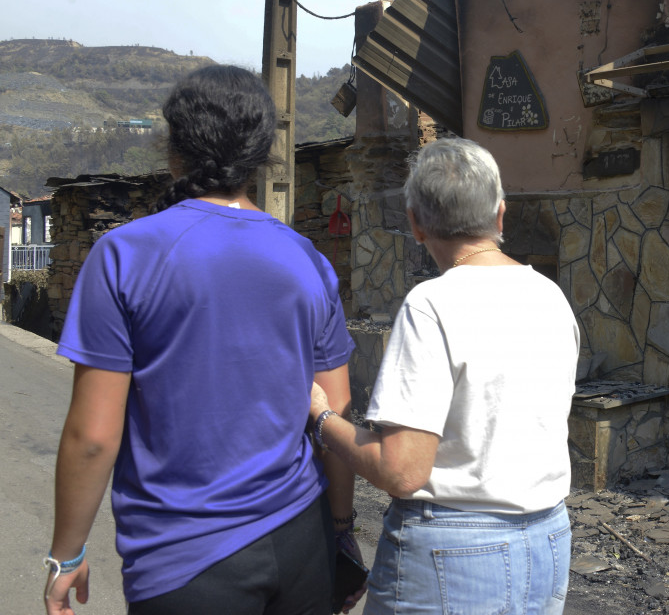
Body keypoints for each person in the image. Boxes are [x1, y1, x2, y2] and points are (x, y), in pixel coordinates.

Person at [45, 65, 361, 615]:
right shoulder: (306, 258)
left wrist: (66, 556)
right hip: (301, 542)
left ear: (175, 149)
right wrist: (340, 528)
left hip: (184, 561)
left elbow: (94, 437)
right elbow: (335, 409)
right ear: (263, 153)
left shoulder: (124, 255)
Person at [309, 137, 580, 615]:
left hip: (454, 547)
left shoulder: (432, 304)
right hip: (548, 537)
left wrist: (322, 417)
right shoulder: (551, 297)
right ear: (500, 215)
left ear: (414, 223)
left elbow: (402, 470)